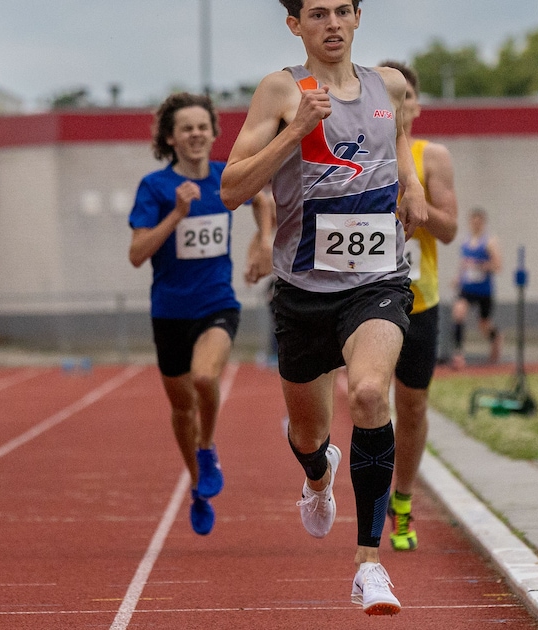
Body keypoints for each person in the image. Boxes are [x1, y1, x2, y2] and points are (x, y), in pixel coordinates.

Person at [220, 0, 428, 616]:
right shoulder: (281, 91)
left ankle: (369, 565)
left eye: (342, 11)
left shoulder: (385, 86)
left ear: (359, 18)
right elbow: (232, 188)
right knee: (309, 432)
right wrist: (293, 131)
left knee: (367, 393)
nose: (331, 24)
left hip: (377, 281)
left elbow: (400, 136)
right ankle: (318, 473)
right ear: (296, 25)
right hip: (304, 291)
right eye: (317, 14)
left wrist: (411, 187)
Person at [128, 92, 275, 537]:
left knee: (205, 380)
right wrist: (177, 213)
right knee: (180, 408)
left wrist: (263, 242)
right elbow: (137, 254)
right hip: (170, 311)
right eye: (185, 128)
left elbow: (264, 199)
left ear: (213, 133)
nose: (195, 134)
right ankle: (196, 481)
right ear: (171, 138)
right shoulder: (154, 187)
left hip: (216, 303)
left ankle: (207, 449)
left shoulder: (224, 178)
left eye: (202, 126)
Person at [378, 60, 458, 552]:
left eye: (405, 96)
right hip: (361, 293)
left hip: (418, 297)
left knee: (412, 405)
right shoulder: (357, 152)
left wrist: (420, 207)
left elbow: (448, 230)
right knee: (364, 397)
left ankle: (402, 500)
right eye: (388, 96)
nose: (398, 105)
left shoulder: (434, 156)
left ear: (417, 106)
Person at [451, 207, 502, 368]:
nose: (476, 224)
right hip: (467, 289)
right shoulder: (466, 241)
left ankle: (496, 337)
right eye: (473, 221)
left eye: (479, 222)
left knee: (484, 325)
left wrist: (480, 265)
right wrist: (458, 278)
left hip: (484, 290)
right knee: (458, 313)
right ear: (470, 223)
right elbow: (464, 264)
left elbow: (497, 266)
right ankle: (459, 354)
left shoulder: (489, 242)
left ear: (483, 223)